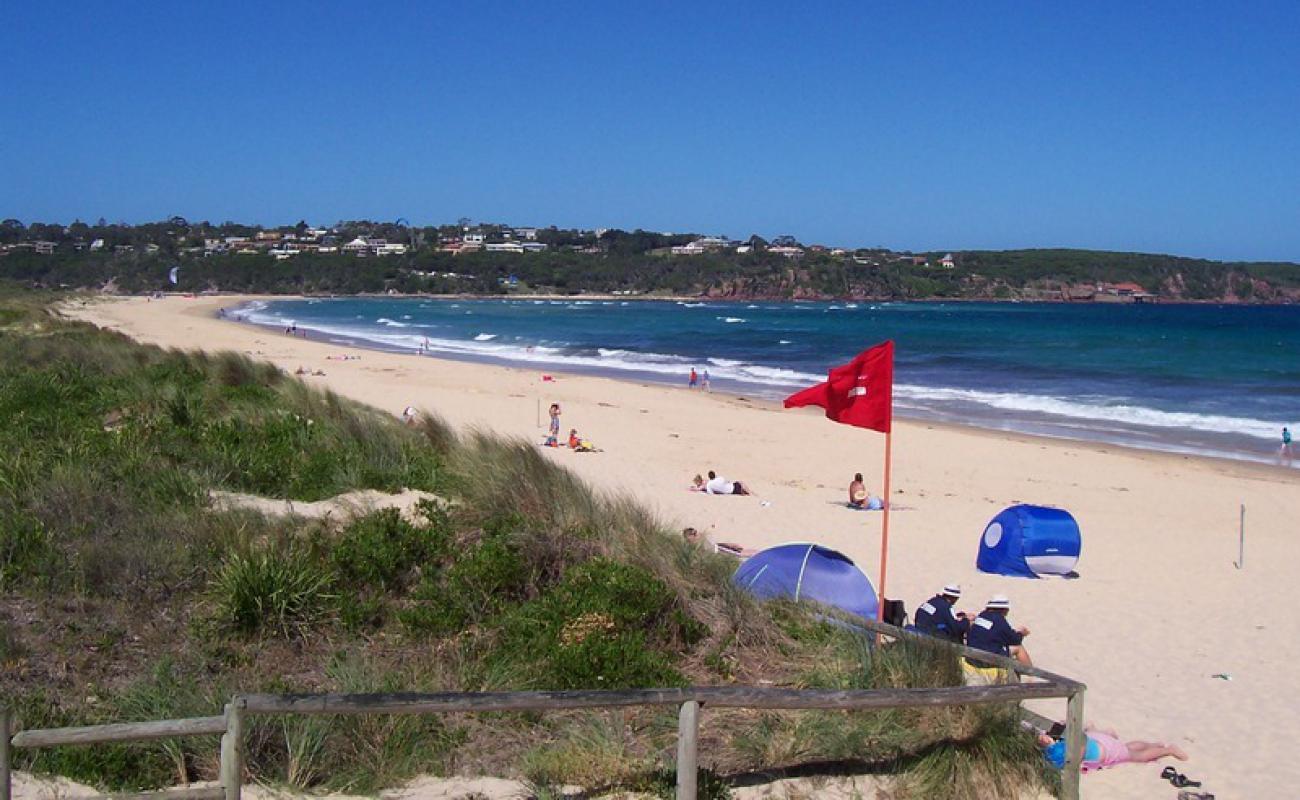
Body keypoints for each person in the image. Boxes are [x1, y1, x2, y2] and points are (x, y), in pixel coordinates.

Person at [1039, 723, 1188, 773]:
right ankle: (1155, 745)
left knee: (1138, 756)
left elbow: (1076, 756)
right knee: (1127, 747)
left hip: (1104, 751)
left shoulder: (1054, 753)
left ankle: (1168, 750)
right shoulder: (1059, 742)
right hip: (1097, 740)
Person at [966, 595, 1032, 666]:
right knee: (1018, 647)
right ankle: (1030, 670)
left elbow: (996, 631)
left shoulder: (982, 615)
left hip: (972, 655)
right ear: (1003, 609)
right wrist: (1021, 633)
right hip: (986, 657)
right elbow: (1015, 640)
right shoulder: (999, 620)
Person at [682, 527, 756, 558]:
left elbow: (715, 546)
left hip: (721, 549)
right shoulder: (694, 546)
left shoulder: (701, 540)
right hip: (720, 550)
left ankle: (759, 554)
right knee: (741, 553)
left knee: (741, 553)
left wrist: (728, 544)